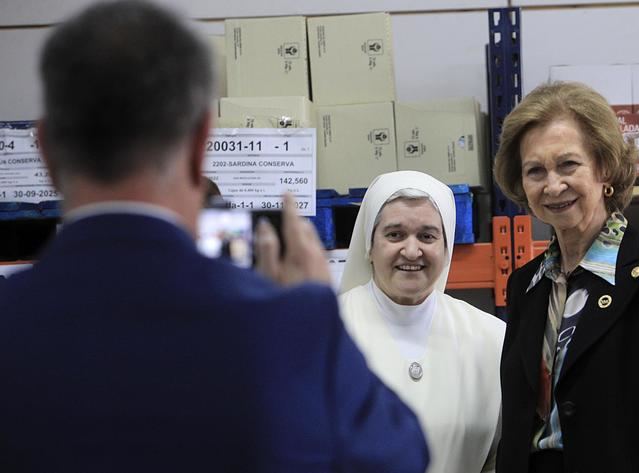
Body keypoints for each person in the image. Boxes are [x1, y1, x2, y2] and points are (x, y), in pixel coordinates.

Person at [0, 2, 429, 472]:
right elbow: (401, 456)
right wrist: (314, 309)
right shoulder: (286, 330)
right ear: (201, 141)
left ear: (44, 146)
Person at [493, 81, 639, 473]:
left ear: (604, 167)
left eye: (568, 164)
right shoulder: (526, 285)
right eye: (535, 171)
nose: (553, 185)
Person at [338, 170, 505, 473]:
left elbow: (502, 457)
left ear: (446, 248)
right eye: (395, 234)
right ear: (369, 246)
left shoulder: (492, 338)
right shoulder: (325, 335)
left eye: (427, 236)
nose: (412, 250)